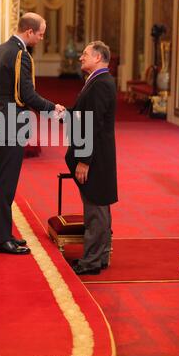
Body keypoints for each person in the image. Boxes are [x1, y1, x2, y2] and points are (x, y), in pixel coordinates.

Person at [0, 12, 65, 255]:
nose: (42, 38)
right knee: (6, 183)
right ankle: (2, 240)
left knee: (1, 181)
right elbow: (27, 95)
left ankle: (3, 234)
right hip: (13, 121)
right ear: (29, 31)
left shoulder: (2, 48)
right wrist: (52, 108)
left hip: (1, 117)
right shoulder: (21, 54)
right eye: (41, 34)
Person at [65, 41, 118, 275]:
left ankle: (91, 262)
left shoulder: (100, 84)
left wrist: (84, 160)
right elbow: (81, 115)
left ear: (98, 57)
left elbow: (92, 124)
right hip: (99, 154)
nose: (80, 58)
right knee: (100, 206)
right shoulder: (98, 80)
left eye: (85, 54)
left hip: (95, 158)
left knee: (95, 209)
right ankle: (101, 256)